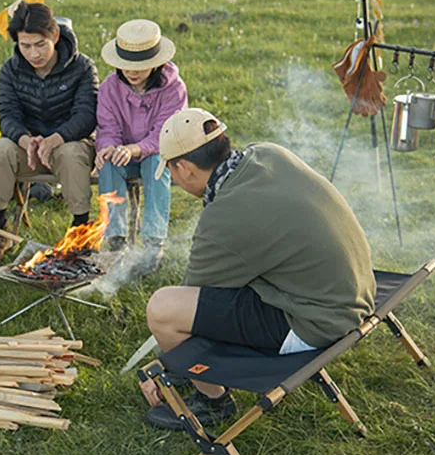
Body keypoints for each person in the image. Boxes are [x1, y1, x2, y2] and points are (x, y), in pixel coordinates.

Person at [140, 108, 376, 430]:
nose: (175, 180)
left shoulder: (223, 218)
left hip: (315, 321)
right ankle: (195, 380)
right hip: (356, 290)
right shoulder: (267, 153)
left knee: (163, 309)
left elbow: (191, 302)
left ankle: (212, 403)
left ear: (184, 168)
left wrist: (164, 364)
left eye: (171, 172)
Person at [0, 2, 99, 267]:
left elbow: (87, 114)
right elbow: (8, 115)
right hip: (28, 146)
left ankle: (80, 230)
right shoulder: (10, 70)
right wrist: (26, 140)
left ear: (55, 37)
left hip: (70, 141)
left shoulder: (82, 67)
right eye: (25, 46)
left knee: (70, 154)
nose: (33, 53)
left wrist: (56, 138)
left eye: (40, 44)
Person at [95, 19, 187, 274]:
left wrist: (134, 149)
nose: (132, 72)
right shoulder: (108, 89)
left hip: (158, 151)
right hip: (124, 153)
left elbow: (165, 133)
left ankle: (153, 243)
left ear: (156, 63)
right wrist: (107, 148)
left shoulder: (174, 88)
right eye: (125, 66)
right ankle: (116, 240)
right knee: (109, 164)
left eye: (140, 66)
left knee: (157, 164)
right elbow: (107, 127)